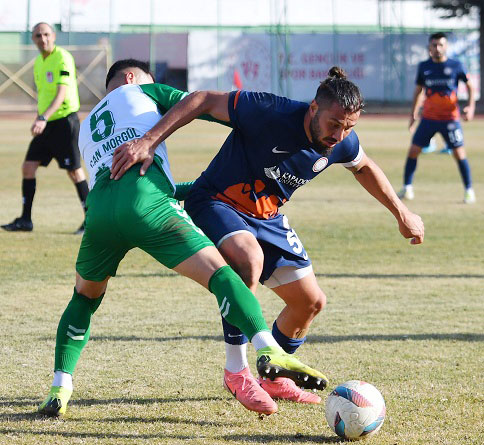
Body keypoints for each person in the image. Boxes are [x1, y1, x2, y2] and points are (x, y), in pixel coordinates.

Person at [110, 66, 425, 414]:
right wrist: (148, 141)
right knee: (248, 259)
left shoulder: (342, 142)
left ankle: (273, 377)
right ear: (313, 109)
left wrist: (402, 213)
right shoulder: (268, 111)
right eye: (334, 123)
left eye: (349, 126)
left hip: (268, 216)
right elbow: (201, 100)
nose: (340, 134)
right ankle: (236, 372)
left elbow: (363, 166)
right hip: (216, 200)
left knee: (310, 303)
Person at [37, 59, 327, 418]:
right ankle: (268, 348)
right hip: (148, 205)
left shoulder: (87, 125)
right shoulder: (141, 89)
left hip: (99, 214)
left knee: (84, 297)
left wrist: (202, 188)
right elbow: (199, 105)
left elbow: (129, 181)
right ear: (131, 78)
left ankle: (60, 386)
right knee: (223, 274)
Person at [1, 22, 88, 234]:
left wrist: (42, 117)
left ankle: (91, 219)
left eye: (47, 34)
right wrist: (42, 118)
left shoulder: (63, 58)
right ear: (33, 39)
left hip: (65, 122)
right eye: (38, 36)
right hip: (47, 123)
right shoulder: (39, 62)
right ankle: (25, 220)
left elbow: (61, 93)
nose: (43, 39)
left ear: (54, 35)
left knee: (75, 172)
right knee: (28, 167)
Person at [398, 32, 476, 204]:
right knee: (413, 151)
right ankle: (407, 188)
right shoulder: (424, 67)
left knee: (459, 153)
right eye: (434, 45)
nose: (437, 48)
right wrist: (413, 114)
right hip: (428, 118)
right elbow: (418, 91)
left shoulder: (456, 65)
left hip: (450, 119)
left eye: (441, 45)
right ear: (429, 48)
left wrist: (470, 107)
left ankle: (469, 190)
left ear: (446, 47)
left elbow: (470, 85)